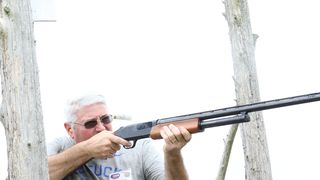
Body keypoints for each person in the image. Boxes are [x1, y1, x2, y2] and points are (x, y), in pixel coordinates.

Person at [47, 94, 192, 180]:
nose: (101, 128)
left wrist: (173, 153)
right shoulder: (60, 146)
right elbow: (33, 174)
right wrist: (87, 150)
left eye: (105, 119)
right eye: (90, 123)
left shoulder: (140, 148)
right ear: (70, 130)